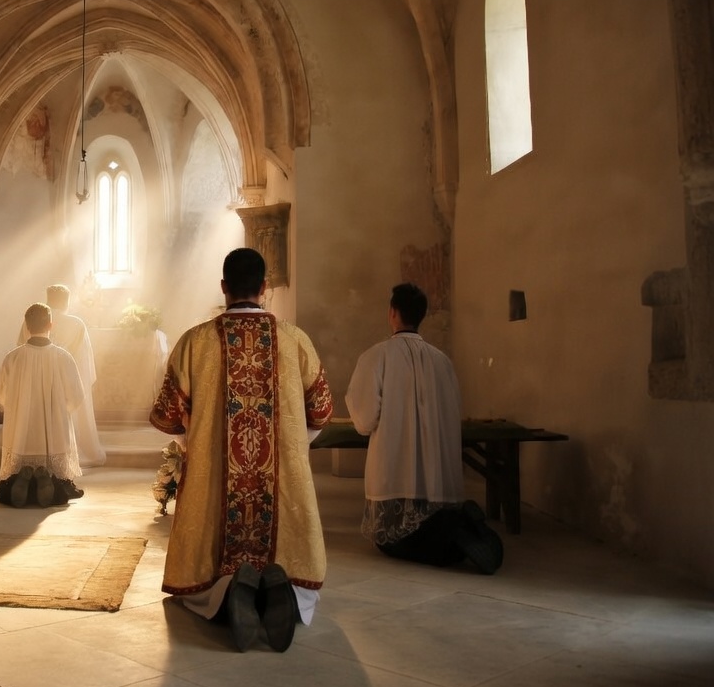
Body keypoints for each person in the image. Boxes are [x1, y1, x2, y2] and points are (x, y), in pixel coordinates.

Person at [150, 248, 333, 652]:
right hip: (280, 486)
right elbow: (320, 412)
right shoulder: (294, 339)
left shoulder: (195, 341)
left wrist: (201, 438)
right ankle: (283, 590)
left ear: (223, 288)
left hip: (214, 481)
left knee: (200, 584)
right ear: (264, 288)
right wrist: (291, 446)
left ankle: (229, 594)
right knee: (291, 563)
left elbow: (168, 415)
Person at [344, 282, 503, 574]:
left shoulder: (376, 357)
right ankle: (458, 530)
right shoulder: (443, 362)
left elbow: (364, 420)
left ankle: (454, 540)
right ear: (422, 315)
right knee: (431, 533)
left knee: (389, 542)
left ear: (392, 313)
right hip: (439, 484)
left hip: (395, 479)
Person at [0, 303, 86, 507]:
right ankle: (51, 480)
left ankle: (23, 480)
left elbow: (2, 395)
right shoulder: (63, 357)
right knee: (62, 478)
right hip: (55, 430)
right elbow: (77, 395)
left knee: (6, 483)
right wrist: (61, 412)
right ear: (51, 325)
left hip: (21, 433)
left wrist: (17, 410)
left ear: (26, 327)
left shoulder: (13, 357)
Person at [18, 284, 106, 466]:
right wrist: (78, 386)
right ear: (66, 301)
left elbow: (21, 351)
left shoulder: (32, 321)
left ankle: (36, 454)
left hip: (34, 380)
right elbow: (83, 360)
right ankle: (65, 453)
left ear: (48, 299)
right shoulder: (76, 323)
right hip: (65, 381)